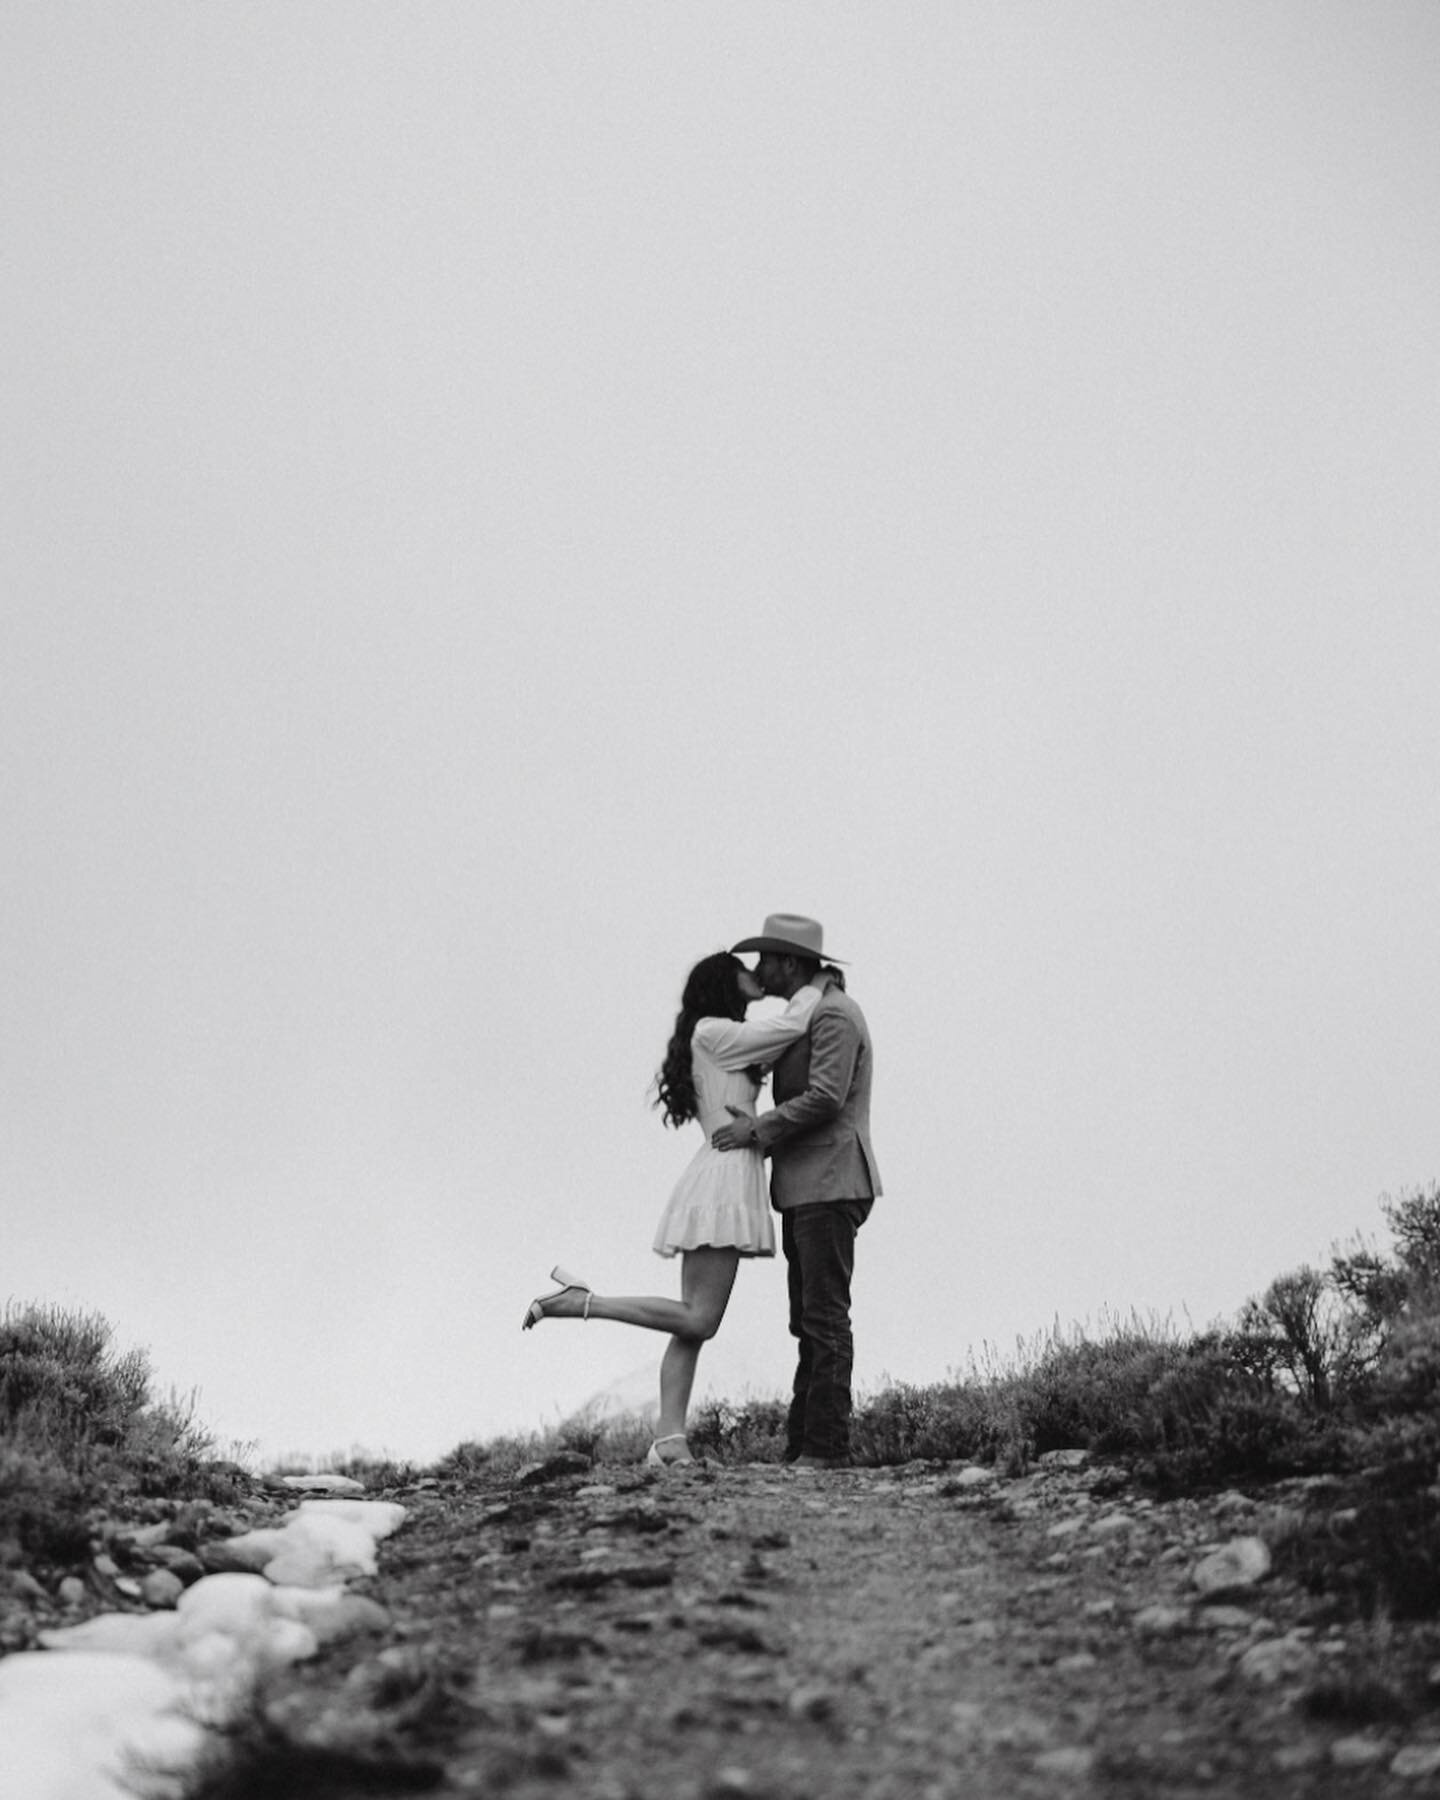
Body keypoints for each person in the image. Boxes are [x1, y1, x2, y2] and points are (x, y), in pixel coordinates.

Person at [522, 950, 834, 1467]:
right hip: (724, 1178)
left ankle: (670, 1439)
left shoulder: (721, 1036)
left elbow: (777, 1043)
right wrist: (816, 985)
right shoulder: (712, 1031)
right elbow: (794, 1023)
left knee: (691, 1325)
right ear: (722, 981)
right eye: (744, 969)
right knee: (699, 1319)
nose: (755, 974)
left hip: (724, 1172)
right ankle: (583, 1301)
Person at [711, 913, 880, 1469]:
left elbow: (826, 1097)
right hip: (810, 1184)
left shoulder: (833, 1015)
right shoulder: (809, 1014)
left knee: (825, 1317)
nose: (761, 970)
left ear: (789, 962)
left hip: (829, 1180)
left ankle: (826, 1448)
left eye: (766, 960)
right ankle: (805, 1445)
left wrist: (755, 1130)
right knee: (808, 1317)